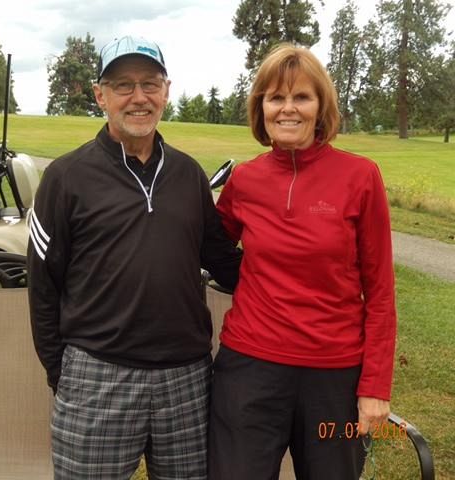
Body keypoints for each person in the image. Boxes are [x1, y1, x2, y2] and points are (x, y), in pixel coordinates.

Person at [27, 35, 241, 480]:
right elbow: (42, 283)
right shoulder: (65, 177)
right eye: (123, 85)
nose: (139, 97)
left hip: (187, 377)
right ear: (100, 95)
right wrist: (60, 372)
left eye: (150, 84)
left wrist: (303, 276)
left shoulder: (188, 174)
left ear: (166, 91)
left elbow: (223, 261)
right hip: (96, 376)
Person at [208, 43, 397, 480]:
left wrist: (374, 387)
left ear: (320, 106)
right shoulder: (246, 180)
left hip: (334, 377)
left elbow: (382, 292)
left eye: (301, 97)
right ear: (262, 108)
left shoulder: (361, 177)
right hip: (249, 369)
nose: (287, 109)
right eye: (275, 98)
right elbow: (209, 246)